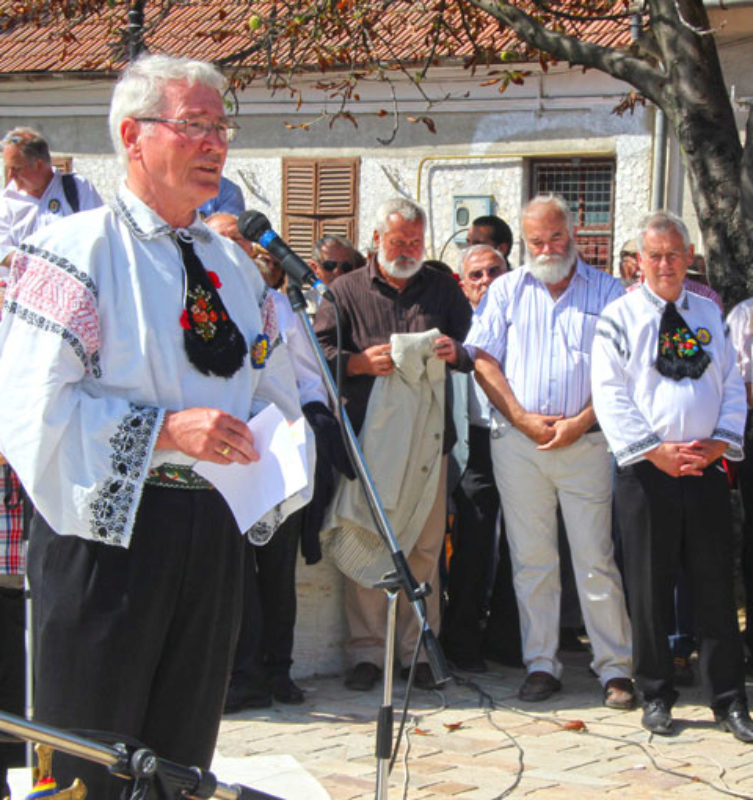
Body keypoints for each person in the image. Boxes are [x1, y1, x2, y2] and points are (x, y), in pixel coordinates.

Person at [0, 54, 288, 798]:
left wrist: (282, 438)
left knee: (182, 760)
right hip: (106, 533)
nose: (215, 144)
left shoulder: (235, 264)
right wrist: (162, 430)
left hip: (211, 525)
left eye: (221, 128)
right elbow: (27, 406)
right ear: (132, 135)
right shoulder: (75, 249)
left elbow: (276, 386)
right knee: (88, 760)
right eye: (194, 126)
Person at [465, 193, 634, 709]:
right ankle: (541, 664)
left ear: (574, 232)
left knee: (594, 559)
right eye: (536, 240)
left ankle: (616, 669)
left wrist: (581, 422)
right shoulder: (508, 291)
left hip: (586, 444)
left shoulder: (609, 291)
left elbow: (623, 371)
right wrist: (520, 417)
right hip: (519, 445)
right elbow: (484, 360)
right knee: (531, 560)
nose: (546, 248)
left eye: (555, 237)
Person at [591, 210, 753, 740]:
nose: (664, 264)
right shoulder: (618, 318)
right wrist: (652, 451)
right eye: (654, 255)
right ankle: (656, 693)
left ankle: (728, 700)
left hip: (705, 469)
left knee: (712, 587)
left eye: (674, 254)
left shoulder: (709, 314)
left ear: (689, 259)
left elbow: (731, 385)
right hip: (647, 473)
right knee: (649, 588)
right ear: (639, 261)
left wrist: (719, 444)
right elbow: (610, 394)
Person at [315, 196, 472, 692]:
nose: (406, 249)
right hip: (367, 440)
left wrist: (455, 351)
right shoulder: (343, 291)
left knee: (425, 547)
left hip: (428, 442)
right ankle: (367, 654)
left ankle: (420, 649)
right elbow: (317, 352)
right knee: (368, 537)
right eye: (397, 239)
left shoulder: (444, 289)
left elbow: (475, 346)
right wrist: (360, 364)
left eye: (415, 241)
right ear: (377, 240)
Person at [206, 211, 330, 710]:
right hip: (220, 456)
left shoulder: (279, 304)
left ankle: (278, 671)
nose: (234, 247)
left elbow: (308, 377)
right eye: (220, 240)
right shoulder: (197, 307)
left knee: (277, 571)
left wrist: (313, 423)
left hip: (277, 449)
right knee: (232, 573)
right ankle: (242, 672)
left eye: (239, 239)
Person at [441, 244, 520, 672]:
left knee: (520, 545)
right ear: (463, 284)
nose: (486, 280)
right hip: (474, 445)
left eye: (495, 271)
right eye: (476, 275)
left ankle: (507, 639)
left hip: (520, 437)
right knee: (471, 543)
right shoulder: (456, 325)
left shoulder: (523, 319)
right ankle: (463, 640)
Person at [0, 127, 102, 266]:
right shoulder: (6, 200)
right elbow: (2, 251)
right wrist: (38, 264)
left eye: (16, 169)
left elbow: (99, 237)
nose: (10, 176)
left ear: (38, 165)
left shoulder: (77, 187)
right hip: (22, 285)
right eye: (8, 168)